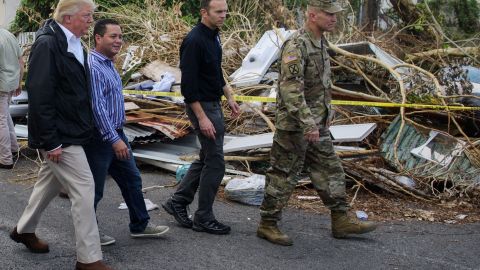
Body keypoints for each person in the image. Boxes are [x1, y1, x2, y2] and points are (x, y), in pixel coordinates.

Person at [256, 0, 377, 246]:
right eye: (329, 14)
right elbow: (290, 89)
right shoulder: (296, 45)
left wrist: (325, 113)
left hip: (317, 123)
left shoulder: (321, 42)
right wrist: (308, 123)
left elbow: (321, 84)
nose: (334, 18)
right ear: (312, 15)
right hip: (295, 125)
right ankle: (268, 224)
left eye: (335, 15)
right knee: (283, 174)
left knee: (331, 169)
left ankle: (341, 220)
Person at [9, 1, 112, 269]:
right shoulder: (48, 45)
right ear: (68, 18)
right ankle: (89, 259)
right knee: (84, 188)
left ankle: (24, 230)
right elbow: (40, 96)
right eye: (87, 16)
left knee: (49, 183)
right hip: (60, 135)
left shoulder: (75, 42)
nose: (92, 21)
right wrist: (51, 141)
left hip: (72, 131)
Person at [84, 18, 169, 246]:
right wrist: (113, 139)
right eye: (113, 36)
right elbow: (97, 107)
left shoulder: (109, 63)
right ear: (98, 38)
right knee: (94, 190)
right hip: (101, 138)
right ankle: (89, 233)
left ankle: (140, 225)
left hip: (116, 133)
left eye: (120, 36)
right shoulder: (93, 66)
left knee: (132, 179)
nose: (119, 41)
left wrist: (118, 135)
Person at [162, 0, 240, 235]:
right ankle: (204, 217)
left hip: (214, 103)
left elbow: (215, 71)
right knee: (215, 162)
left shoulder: (214, 35)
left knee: (206, 157)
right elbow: (188, 86)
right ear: (204, 12)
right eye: (218, 12)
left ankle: (178, 201)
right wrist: (202, 118)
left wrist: (230, 96)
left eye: (226, 11)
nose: (224, 16)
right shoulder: (194, 41)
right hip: (203, 107)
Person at [0, 28, 24, 169]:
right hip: (11, 83)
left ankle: (5, 158)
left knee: (1, 120)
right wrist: (19, 82)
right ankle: (14, 149)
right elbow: (21, 61)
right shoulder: (8, 34)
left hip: (2, 85)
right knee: (5, 116)